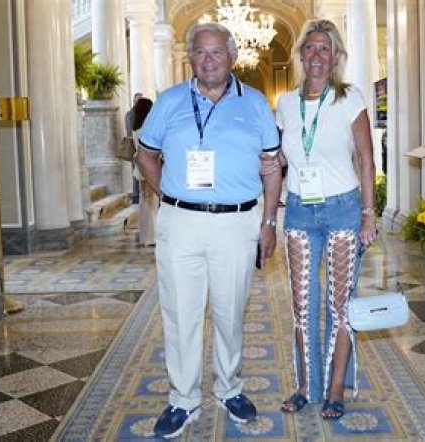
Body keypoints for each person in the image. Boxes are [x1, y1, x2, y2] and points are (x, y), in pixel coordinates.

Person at [135, 22, 282, 439]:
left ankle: (229, 388)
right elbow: (145, 156)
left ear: (233, 56)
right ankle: (183, 398)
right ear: (190, 58)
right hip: (181, 222)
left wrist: (269, 222)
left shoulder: (255, 104)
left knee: (230, 311)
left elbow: (272, 169)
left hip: (237, 222)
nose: (209, 60)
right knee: (180, 313)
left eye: (217, 51)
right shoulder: (169, 101)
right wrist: (170, 196)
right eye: (200, 52)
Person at [274, 19, 377, 420]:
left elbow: (366, 159)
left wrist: (368, 214)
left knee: (339, 306)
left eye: (325, 48)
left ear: (335, 57)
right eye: (310, 47)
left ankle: (335, 388)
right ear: (300, 54)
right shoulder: (286, 103)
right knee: (302, 305)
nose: (316, 55)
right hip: (299, 209)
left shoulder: (349, 98)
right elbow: (279, 158)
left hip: (343, 209)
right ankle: (306, 386)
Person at [130, 97, 157, 246]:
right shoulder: (148, 129)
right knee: (151, 202)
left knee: (144, 201)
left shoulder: (136, 128)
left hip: (140, 169)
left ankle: (145, 235)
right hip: (149, 168)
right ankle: (151, 237)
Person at [126, 92, 144, 203]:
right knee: (136, 172)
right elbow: (129, 132)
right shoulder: (130, 114)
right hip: (135, 146)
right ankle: (136, 196)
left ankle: (139, 195)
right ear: (134, 101)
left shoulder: (143, 114)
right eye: (137, 100)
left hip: (142, 146)